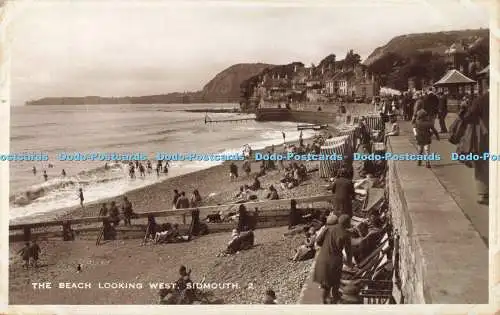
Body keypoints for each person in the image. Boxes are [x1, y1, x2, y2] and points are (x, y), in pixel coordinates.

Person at [313, 214, 353, 304]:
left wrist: (326, 246)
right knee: (334, 283)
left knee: (326, 283)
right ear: (347, 223)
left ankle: (326, 301)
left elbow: (318, 241)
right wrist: (350, 264)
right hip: (335, 261)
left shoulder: (328, 228)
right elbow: (349, 252)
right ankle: (331, 302)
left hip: (322, 257)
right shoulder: (346, 234)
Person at [460, 91, 489, 205]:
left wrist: (463, 110)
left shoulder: (481, 100)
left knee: (482, 163)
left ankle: (484, 193)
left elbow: (467, 117)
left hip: (484, 137)